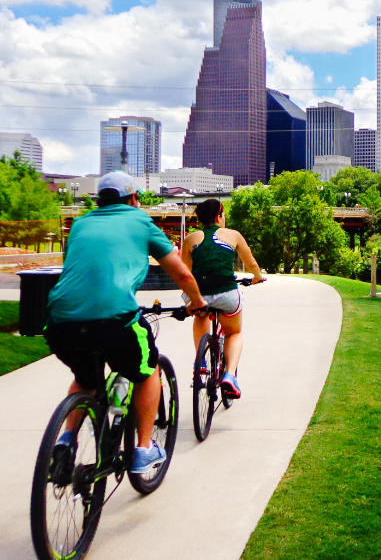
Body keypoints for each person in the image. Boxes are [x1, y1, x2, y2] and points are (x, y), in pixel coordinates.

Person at [44, 171, 206, 474]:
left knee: (86, 378)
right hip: (114, 318)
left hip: (60, 321)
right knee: (148, 370)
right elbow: (182, 274)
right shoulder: (141, 221)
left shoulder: (79, 224)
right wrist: (197, 303)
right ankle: (143, 449)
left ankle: (65, 440)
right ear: (134, 199)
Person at [179, 198, 263, 399]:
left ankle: (200, 362)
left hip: (200, 295)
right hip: (226, 293)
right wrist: (257, 278)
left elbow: (185, 272)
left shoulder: (190, 239)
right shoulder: (233, 235)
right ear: (219, 215)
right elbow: (250, 262)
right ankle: (229, 375)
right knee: (234, 333)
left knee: (200, 316)